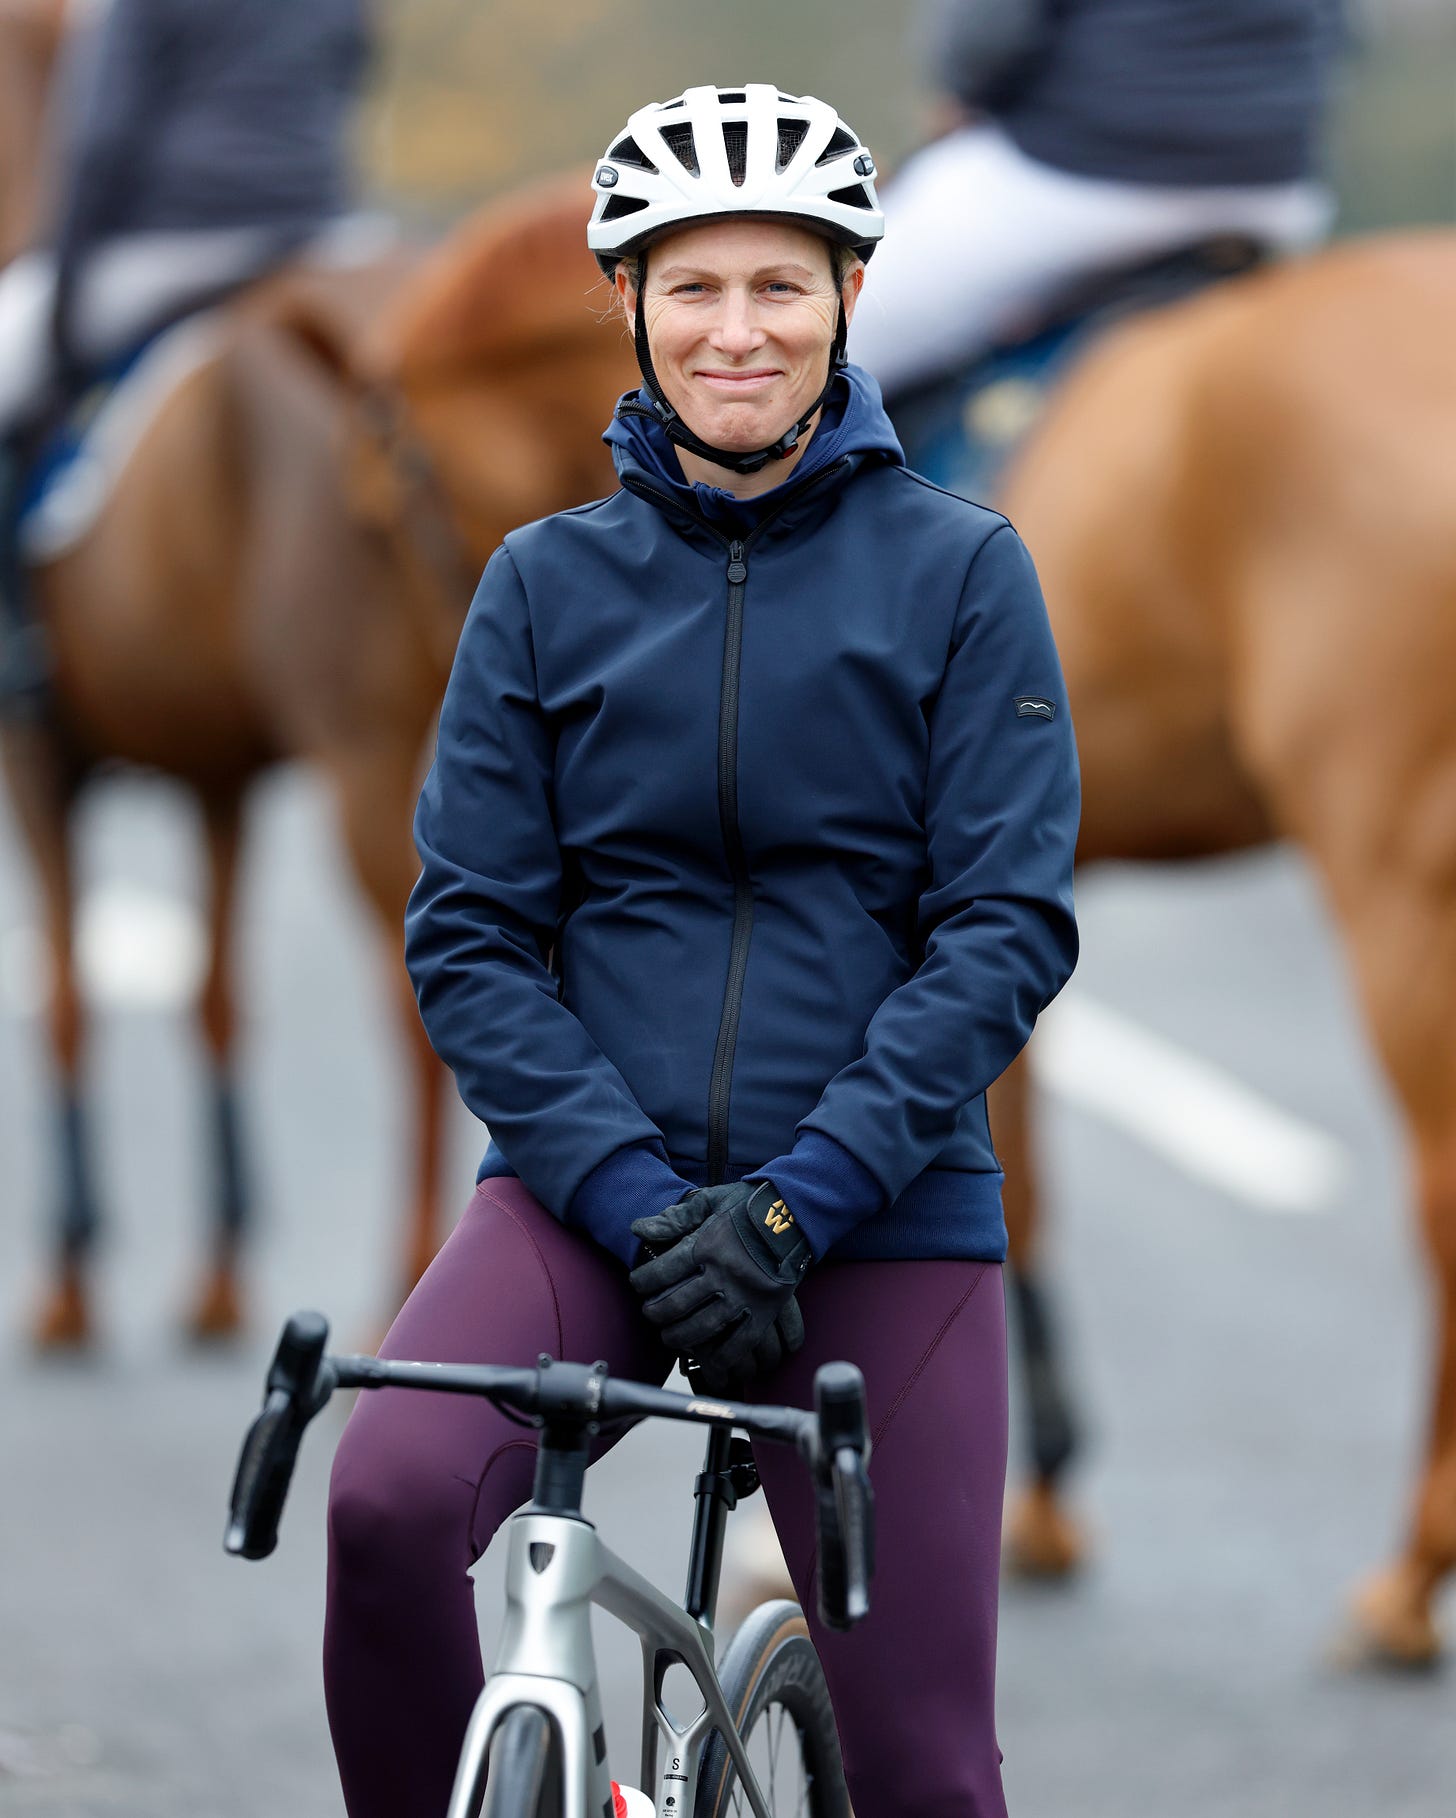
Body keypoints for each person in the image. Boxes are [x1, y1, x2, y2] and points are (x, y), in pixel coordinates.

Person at [323, 83, 1080, 1818]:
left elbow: (999, 931)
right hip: (597, 1206)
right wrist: (639, 1198)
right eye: (692, 288)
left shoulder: (966, 572)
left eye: (780, 287)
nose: (735, 329)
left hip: (878, 1217)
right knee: (381, 1501)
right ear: (631, 304)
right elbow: (473, 934)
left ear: (845, 299)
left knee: (929, 1776)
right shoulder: (537, 583)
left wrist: (797, 1200)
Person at [0, 0, 373, 708]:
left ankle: (15, 644)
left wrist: (60, 293)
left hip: (182, 240)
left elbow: (97, 143)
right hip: (323, 231)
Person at [850, 0, 1342, 397]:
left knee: (837, 331)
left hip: (1080, 181)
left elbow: (984, 39)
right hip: (1272, 194)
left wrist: (961, 92)